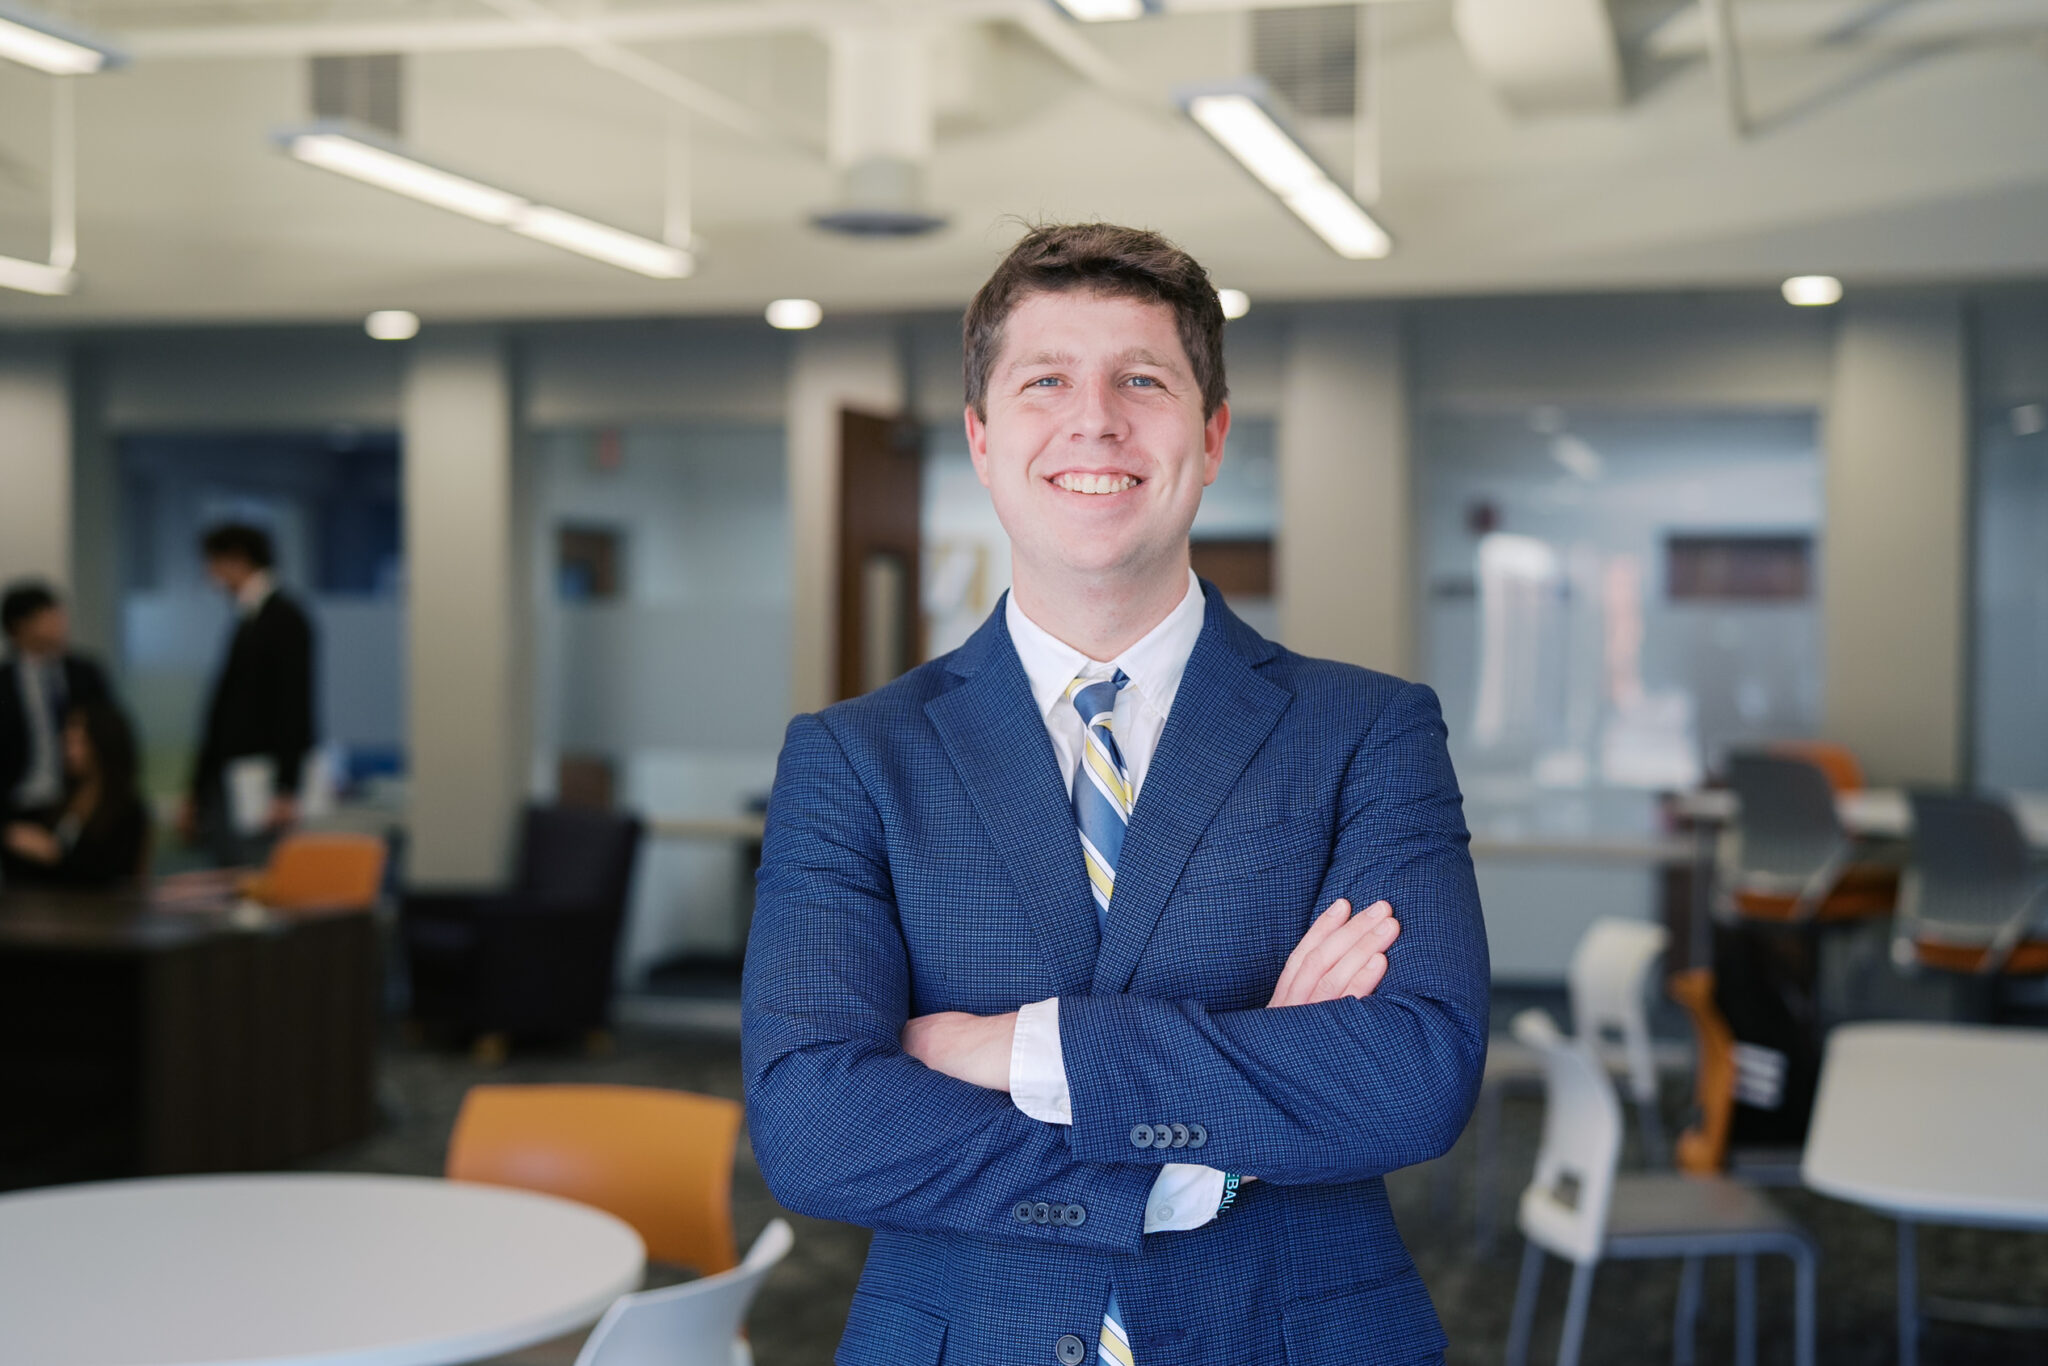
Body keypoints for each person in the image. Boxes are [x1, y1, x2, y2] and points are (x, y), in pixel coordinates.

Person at [742, 224, 1489, 1366]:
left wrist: (1023, 1051)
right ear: (984, 443)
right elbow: (813, 1125)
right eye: (1045, 380)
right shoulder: (852, 758)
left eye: (1142, 379)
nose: (1094, 418)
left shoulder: (1366, 732)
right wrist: (1204, 1151)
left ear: (1212, 434)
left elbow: (1412, 1076)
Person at [179, 523, 316, 863]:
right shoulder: (247, 617)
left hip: (259, 779)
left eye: (214, 564)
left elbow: (293, 704)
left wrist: (287, 786)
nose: (211, 575)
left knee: (254, 874)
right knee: (232, 870)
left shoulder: (283, 618)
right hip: (235, 774)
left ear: (238, 560)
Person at [2, 697, 151, 888]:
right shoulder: (61, 800)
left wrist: (52, 853)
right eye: (67, 740)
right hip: (54, 911)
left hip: (101, 914)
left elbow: (113, 873)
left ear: (102, 743)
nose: (67, 749)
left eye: (78, 741)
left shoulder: (128, 811)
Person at [1, 581, 112, 831]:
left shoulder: (85, 673)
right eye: (48, 616)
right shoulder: (4, 682)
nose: (60, 623)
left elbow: (109, 734)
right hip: (18, 806)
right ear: (20, 625)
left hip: (77, 801)